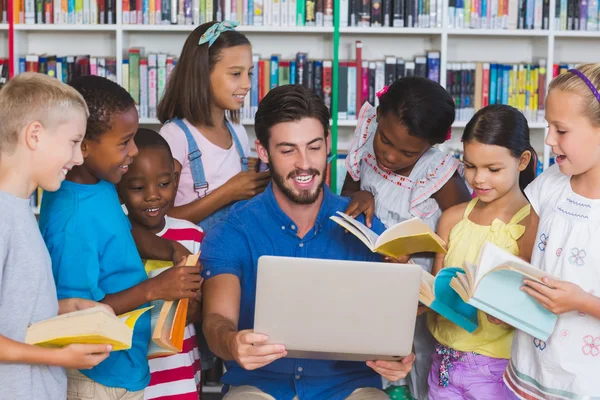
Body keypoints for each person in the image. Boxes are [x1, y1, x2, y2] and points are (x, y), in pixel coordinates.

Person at [200, 84, 415, 400]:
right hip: (259, 387)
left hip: (350, 387)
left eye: (314, 147)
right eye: (287, 150)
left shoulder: (365, 226)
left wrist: (397, 358)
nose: (304, 163)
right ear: (263, 152)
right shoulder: (233, 229)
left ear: (328, 144)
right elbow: (217, 319)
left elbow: (392, 328)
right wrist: (231, 342)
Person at [39, 76, 203, 400]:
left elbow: (122, 235)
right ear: (83, 145)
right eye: (124, 142)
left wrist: (169, 248)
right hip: (96, 378)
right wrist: (155, 288)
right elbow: (76, 318)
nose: (135, 150)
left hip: (124, 368)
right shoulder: (71, 221)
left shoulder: (99, 185)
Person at [340, 77, 472, 399]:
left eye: (407, 152)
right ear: (379, 117)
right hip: (369, 279)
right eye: (385, 140)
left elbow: (466, 231)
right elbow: (345, 194)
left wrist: (419, 261)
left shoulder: (438, 175)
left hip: (418, 294)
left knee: (417, 364)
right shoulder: (368, 134)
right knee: (372, 364)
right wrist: (358, 194)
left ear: (428, 147)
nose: (390, 156)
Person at [0, 72, 112, 399]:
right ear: (35, 134)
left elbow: (14, 311)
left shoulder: (20, 209)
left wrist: (67, 307)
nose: (78, 158)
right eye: (74, 142)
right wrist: (60, 358)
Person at [426, 104, 537, 399]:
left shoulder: (530, 224)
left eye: (493, 169)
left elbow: (533, 303)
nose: (478, 179)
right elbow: (436, 288)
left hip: (497, 368)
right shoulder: (452, 218)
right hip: (443, 363)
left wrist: (507, 311)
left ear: (522, 160)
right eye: (470, 166)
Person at [504, 64, 600, 399]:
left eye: (561, 130)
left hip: (586, 383)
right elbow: (525, 259)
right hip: (531, 371)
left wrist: (583, 302)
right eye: (548, 127)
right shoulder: (548, 185)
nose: (548, 140)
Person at [158, 20, 270, 231]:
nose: (247, 84)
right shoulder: (175, 136)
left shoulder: (238, 133)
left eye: (250, 73)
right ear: (202, 74)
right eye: (236, 74)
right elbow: (161, 219)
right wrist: (227, 192)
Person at [118, 128, 204, 400]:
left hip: (180, 379)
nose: (153, 196)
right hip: (128, 382)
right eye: (138, 187)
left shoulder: (191, 236)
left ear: (176, 179)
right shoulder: (114, 235)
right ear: (117, 184)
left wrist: (193, 306)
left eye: (164, 184)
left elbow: (202, 309)